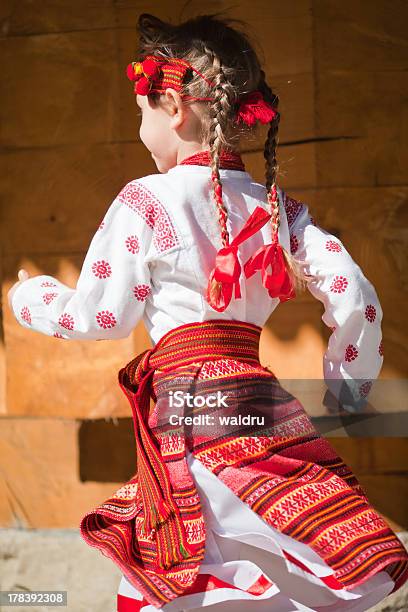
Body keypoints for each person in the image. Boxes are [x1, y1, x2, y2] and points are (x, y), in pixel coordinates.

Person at [8, 11, 408, 612]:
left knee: (176, 564)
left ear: (174, 106)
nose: (140, 123)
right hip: (258, 404)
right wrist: (347, 388)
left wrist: (30, 296)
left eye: (142, 110)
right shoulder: (281, 210)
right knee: (265, 550)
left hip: (189, 408)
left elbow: (99, 316)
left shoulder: (147, 198)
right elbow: (355, 293)